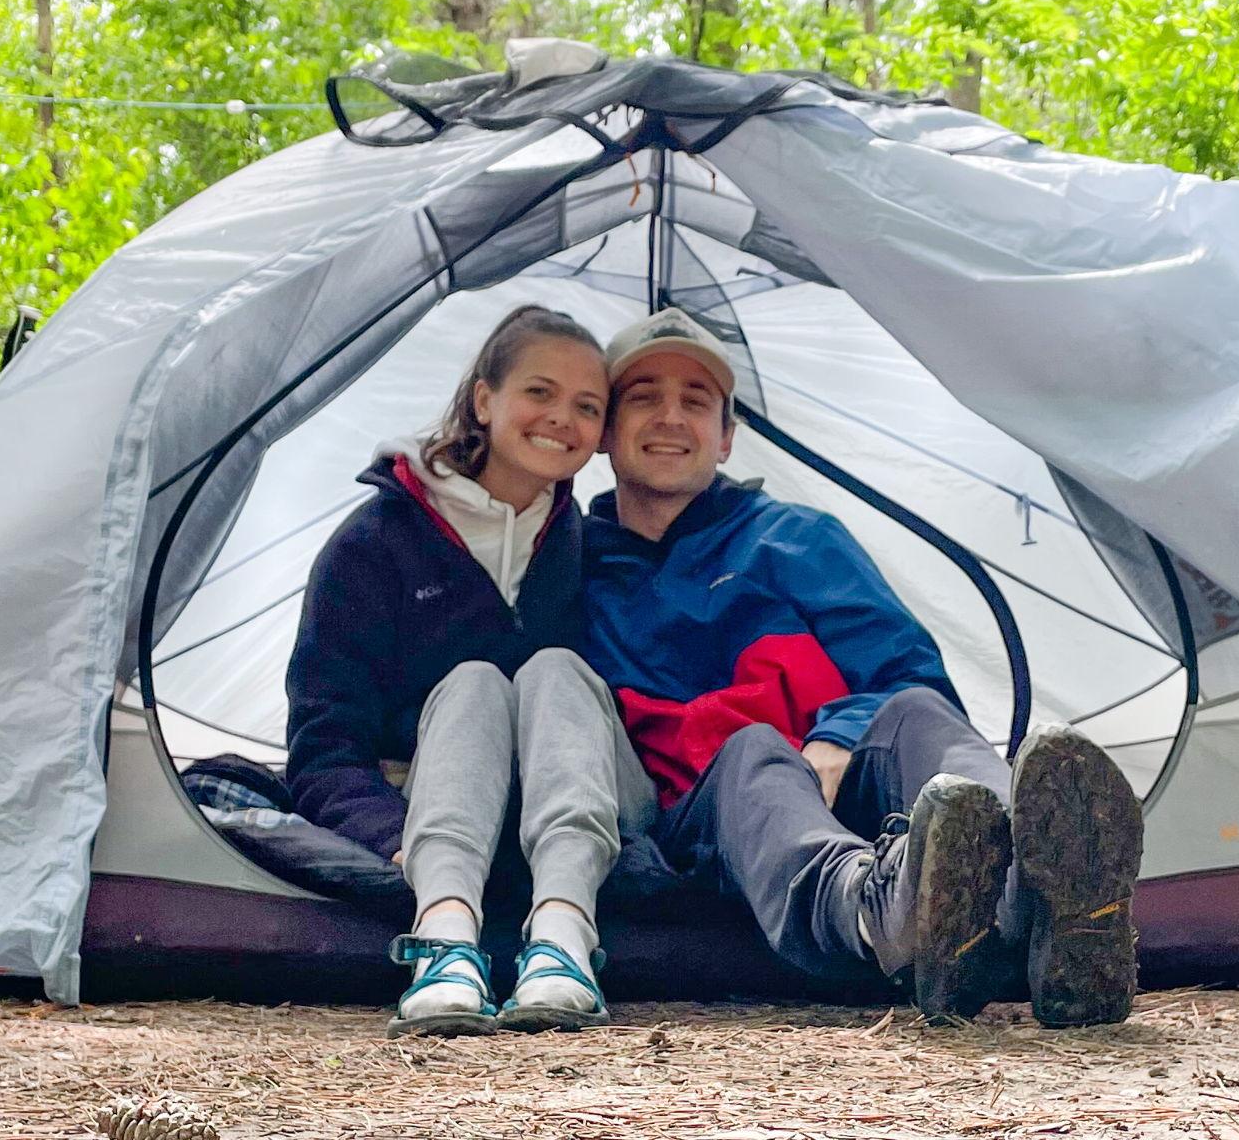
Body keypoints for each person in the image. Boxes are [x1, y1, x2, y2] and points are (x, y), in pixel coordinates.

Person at [582, 307, 1144, 1027]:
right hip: (707, 822)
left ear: (725, 438)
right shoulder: (569, 567)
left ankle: (1051, 906)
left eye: (695, 402)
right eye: (643, 398)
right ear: (604, 432)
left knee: (915, 712)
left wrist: (836, 739)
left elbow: (906, 669)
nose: (670, 418)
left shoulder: (794, 539)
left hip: (839, 784)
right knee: (753, 748)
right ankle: (881, 911)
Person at [285, 304, 655, 1036]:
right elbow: (324, 744)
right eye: (539, 392)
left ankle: (563, 940)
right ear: (484, 399)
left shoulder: (595, 547)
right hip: (447, 816)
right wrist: (394, 835)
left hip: (588, 798)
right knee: (475, 681)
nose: (562, 419)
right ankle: (446, 941)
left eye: (588, 406)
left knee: (554, 667)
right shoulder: (374, 545)